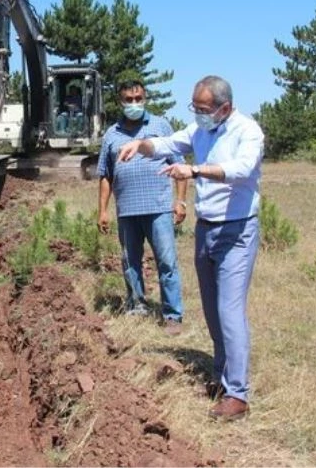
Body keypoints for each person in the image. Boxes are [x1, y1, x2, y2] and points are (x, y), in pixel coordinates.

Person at [117, 75, 264, 421]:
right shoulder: (201, 131)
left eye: (203, 109)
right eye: (194, 108)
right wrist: (140, 146)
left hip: (237, 230)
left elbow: (242, 169)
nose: (197, 115)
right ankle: (221, 376)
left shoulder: (248, 131)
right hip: (207, 229)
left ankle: (238, 395)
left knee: (230, 311)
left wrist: (194, 170)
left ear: (224, 108)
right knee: (212, 310)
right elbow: (168, 143)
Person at [97, 80, 188, 336]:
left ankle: (172, 315)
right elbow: (105, 175)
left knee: (167, 261)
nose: (134, 104)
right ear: (120, 101)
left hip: (158, 208)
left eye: (138, 98)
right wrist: (102, 210)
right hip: (126, 210)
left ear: (145, 98)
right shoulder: (111, 135)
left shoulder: (160, 126)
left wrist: (180, 201)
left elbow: (179, 165)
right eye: (129, 99)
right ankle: (137, 306)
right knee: (130, 261)